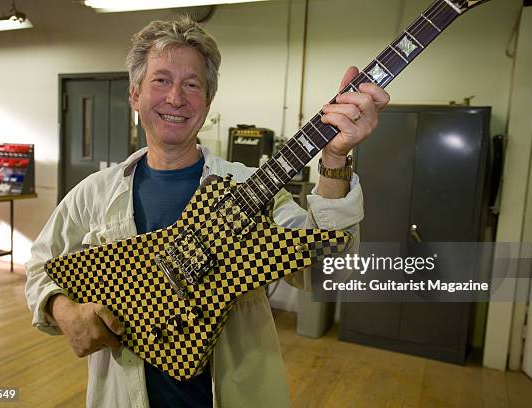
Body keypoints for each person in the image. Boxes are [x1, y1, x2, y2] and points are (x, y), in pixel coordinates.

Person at [25, 16, 389, 408]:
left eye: (192, 84)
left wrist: (334, 158)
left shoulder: (250, 190)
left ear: (208, 101)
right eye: (161, 80)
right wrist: (63, 311)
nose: (176, 98)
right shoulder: (93, 194)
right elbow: (39, 265)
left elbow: (326, 274)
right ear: (135, 95)